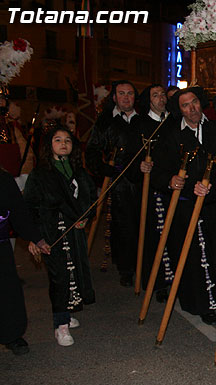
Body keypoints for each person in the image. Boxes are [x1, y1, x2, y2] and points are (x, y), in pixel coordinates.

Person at [151, 86, 216, 325]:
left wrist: (213, 186)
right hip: (184, 208)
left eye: (194, 102)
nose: (192, 108)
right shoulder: (171, 136)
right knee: (190, 257)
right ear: (178, 110)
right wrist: (171, 180)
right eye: (185, 105)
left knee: (215, 254)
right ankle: (198, 303)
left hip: (212, 207)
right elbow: (160, 173)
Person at [23, 126, 97, 346]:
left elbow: (89, 197)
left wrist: (86, 215)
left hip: (74, 233)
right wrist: (33, 237)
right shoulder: (40, 174)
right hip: (51, 232)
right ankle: (60, 324)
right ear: (48, 146)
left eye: (68, 140)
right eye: (57, 140)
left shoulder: (79, 171)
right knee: (59, 277)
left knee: (75, 272)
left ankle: (66, 310)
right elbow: (29, 206)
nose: (63, 143)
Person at [85, 80, 142, 287]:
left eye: (130, 93)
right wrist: (107, 170)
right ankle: (125, 268)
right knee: (123, 227)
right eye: (122, 93)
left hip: (144, 182)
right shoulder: (105, 121)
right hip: (119, 184)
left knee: (144, 224)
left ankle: (143, 264)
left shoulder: (142, 120)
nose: (126, 97)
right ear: (115, 97)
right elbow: (91, 152)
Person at [130, 84, 175, 302]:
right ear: (148, 100)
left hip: (171, 186)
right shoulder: (139, 123)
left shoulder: (173, 121)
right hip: (150, 190)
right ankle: (158, 282)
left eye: (162, 95)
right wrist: (139, 166)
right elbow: (129, 156)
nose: (160, 99)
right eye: (155, 95)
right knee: (154, 235)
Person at [0, 168, 50, 355]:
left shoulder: (3, 179)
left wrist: (37, 238)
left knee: (6, 290)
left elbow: (19, 213)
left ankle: (11, 334)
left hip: (0, 248)